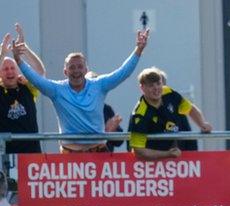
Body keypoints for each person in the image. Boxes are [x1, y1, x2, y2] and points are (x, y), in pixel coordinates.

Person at [14, 28, 150, 153]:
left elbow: (122, 73)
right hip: (70, 154)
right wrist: (18, 60)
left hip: (98, 151)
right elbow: (36, 80)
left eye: (80, 67)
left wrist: (138, 50)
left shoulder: (99, 85)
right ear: (65, 71)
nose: (76, 71)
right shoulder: (57, 90)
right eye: (72, 67)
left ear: (86, 70)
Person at [128, 67, 212, 160]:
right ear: (142, 88)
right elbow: (138, 151)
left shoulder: (168, 92)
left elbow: (190, 109)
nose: (156, 88)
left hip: (175, 157)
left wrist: (202, 124)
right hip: (151, 165)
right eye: (151, 85)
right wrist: (167, 154)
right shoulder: (140, 114)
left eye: (158, 84)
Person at [0, 24, 44, 154]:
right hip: (8, 158)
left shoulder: (27, 87)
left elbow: (40, 73)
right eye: (5, 69)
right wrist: (2, 54)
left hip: (32, 156)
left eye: (12, 68)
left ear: (17, 70)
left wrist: (25, 49)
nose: (9, 72)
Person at [84, 71, 124, 151]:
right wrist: (105, 132)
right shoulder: (78, 109)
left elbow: (119, 142)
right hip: (83, 160)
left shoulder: (107, 109)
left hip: (105, 160)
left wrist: (111, 133)